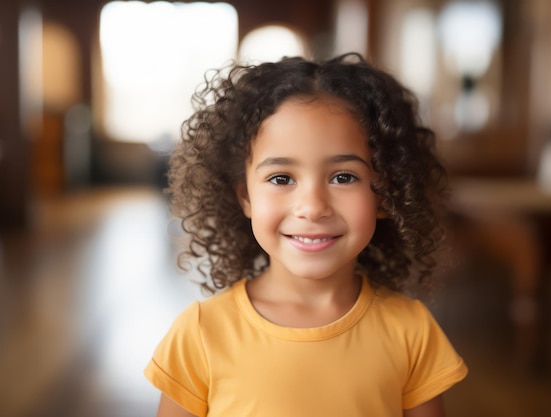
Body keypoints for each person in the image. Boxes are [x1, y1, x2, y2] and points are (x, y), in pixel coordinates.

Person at [145, 53, 468, 417]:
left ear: (385, 194)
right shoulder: (202, 332)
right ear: (246, 196)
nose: (312, 207)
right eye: (281, 179)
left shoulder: (411, 331)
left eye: (344, 177)